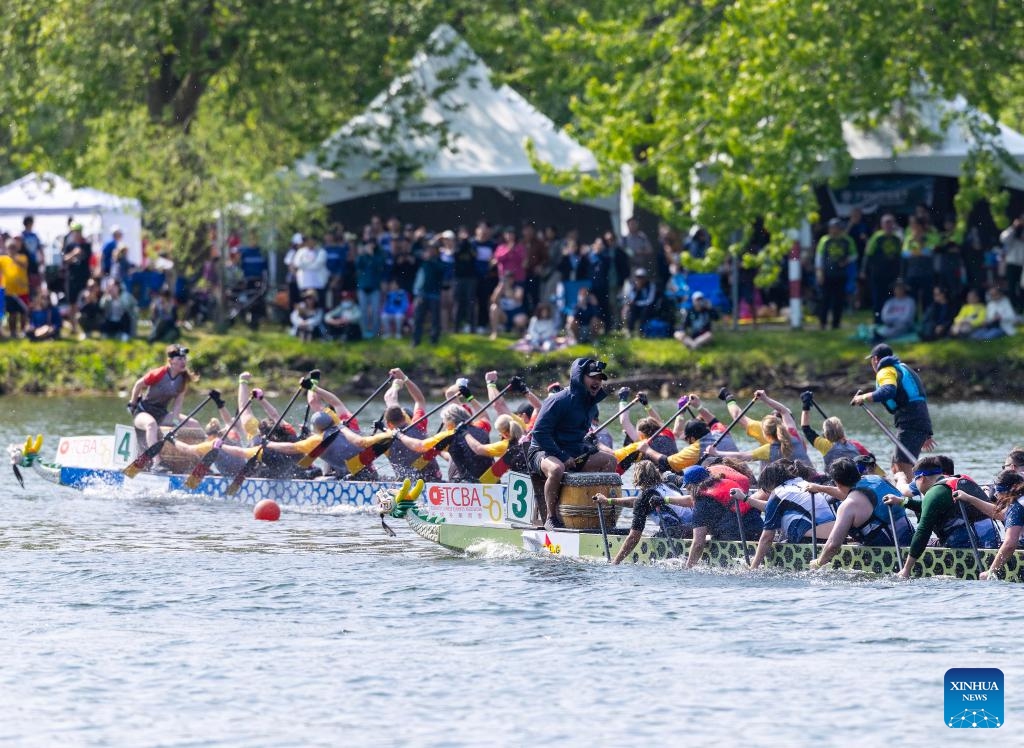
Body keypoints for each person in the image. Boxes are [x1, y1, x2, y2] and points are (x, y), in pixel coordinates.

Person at [528, 357, 618, 530]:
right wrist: (562, 456)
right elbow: (539, 433)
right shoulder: (558, 400)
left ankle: (597, 514)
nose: (597, 382)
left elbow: (575, 434)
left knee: (610, 461)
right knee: (557, 469)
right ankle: (551, 517)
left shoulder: (591, 405)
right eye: (593, 377)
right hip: (542, 450)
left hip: (572, 451)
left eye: (600, 378)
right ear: (579, 377)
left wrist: (587, 445)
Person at [886, 456, 999, 579]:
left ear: (922, 478)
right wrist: (901, 501)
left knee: (917, 542)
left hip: (966, 549)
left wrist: (906, 570)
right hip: (991, 541)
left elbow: (922, 532)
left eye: (915, 480)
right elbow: (930, 508)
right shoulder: (957, 481)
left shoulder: (934, 494)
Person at [806, 458, 913, 569]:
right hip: (910, 541)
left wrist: (818, 562)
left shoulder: (848, 506)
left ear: (836, 482)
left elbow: (833, 544)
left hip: (887, 556)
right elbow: (847, 493)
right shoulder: (876, 479)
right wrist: (819, 488)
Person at [851, 343, 934, 479]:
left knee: (901, 467)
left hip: (910, 422)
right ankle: (907, 494)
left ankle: (910, 498)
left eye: (871, 360)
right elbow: (918, 399)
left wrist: (863, 397)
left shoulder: (886, 371)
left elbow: (888, 391)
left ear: (876, 359)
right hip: (918, 421)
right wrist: (926, 432)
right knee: (897, 467)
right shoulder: (903, 368)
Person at [595, 461, 693, 565]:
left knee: (647, 536)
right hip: (694, 527)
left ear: (637, 478)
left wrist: (615, 562)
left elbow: (634, 537)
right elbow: (636, 501)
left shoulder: (644, 498)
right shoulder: (669, 485)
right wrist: (608, 501)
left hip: (680, 533)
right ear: (656, 473)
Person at [749, 461, 837, 570]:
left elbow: (767, 538)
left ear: (770, 482)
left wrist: (753, 568)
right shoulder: (802, 483)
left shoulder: (777, 493)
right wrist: (746, 499)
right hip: (836, 539)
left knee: (777, 539)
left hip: (814, 542)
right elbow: (770, 508)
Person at [127, 345, 201, 473]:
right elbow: (138, 384)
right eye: (179, 358)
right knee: (151, 424)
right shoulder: (159, 373)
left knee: (193, 423)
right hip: (143, 412)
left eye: (184, 358)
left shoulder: (183, 379)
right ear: (171, 361)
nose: (183, 362)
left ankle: (199, 461)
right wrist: (132, 403)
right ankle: (157, 463)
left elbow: (177, 406)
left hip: (162, 414)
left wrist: (178, 423)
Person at [683, 464, 764, 568]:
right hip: (759, 532)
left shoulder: (702, 502)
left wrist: (688, 567)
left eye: (687, 487)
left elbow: (698, 543)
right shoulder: (727, 483)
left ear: (691, 486)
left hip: (735, 541)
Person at [963, 470, 1024, 580]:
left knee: (1002, 547)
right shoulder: (1020, 499)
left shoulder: (1016, 507)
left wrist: (991, 572)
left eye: (999, 491)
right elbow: (1002, 514)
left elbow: (1010, 545)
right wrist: (970, 499)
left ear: (1014, 487)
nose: (998, 496)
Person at [798, 392, 862, 469]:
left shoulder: (825, 445)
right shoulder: (855, 444)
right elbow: (871, 458)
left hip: (835, 479)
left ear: (826, 434)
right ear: (841, 430)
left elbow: (806, 429)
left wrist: (805, 406)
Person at [815, 218, 857, 329]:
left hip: (841, 274)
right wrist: (819, 272)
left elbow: (854, 255)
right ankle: (822, 323)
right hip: (827, 274)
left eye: (836, 228)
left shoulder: (847, 240)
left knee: (838, 300)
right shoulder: (824, 240)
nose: (833, 230)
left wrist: (847, 260)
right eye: (832, 228)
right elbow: (819, 257)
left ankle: (836, 324)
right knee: (825, 299)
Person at [861, 214, 903, 324]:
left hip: (892, 274)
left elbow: (900, 256)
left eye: (891, 222)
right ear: (882, 224)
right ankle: (878, 321)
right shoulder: (876, 237)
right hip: (878, 273)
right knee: (878, 298)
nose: (889, 225)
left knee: (890, 298)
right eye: (886, 223)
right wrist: (863, 271)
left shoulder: (896, 238)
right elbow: (868, 254)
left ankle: (890, 320)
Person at [488, 271, 528, 340]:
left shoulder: (518, 288)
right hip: (504, 314)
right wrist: (499, 290)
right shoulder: (500, 288)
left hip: (516, 313)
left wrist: (508, 290)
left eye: (511, 279)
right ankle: (494, 332)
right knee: (493, 308)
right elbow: (493, 300)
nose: (509, 281)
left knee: (521, 320)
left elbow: (518, 299)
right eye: (507, 279)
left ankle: (518, 332)